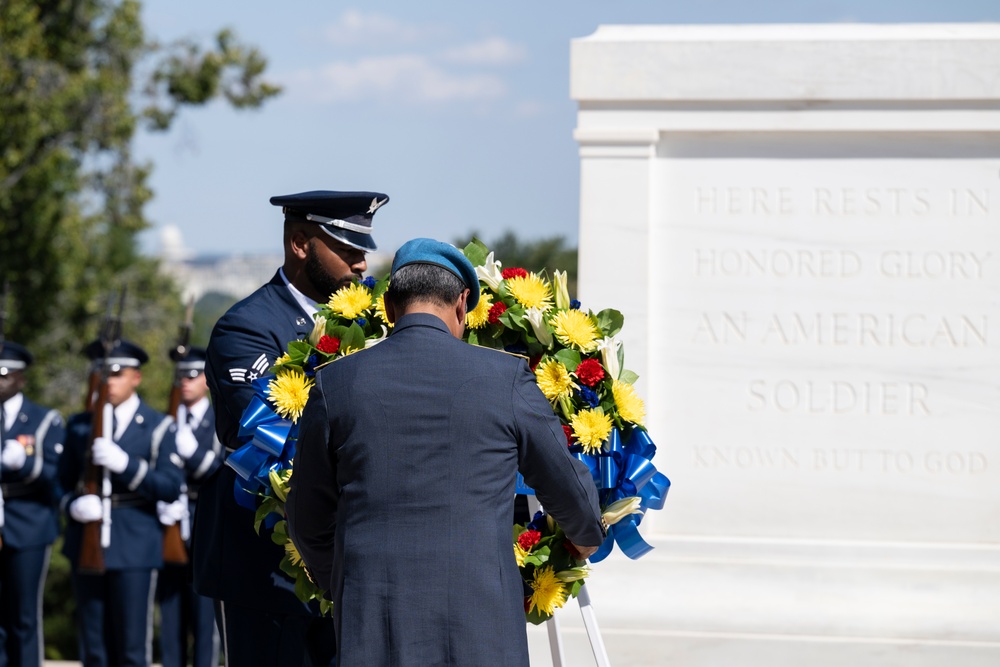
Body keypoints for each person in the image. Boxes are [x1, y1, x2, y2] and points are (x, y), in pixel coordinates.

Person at [286, 238, 607, 666]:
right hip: (480, 624)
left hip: (373, 624)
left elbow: (306, 519)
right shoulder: (505, 378)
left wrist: (348, 584)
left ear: (388, 308)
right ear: (461, 304)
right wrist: (583, 539)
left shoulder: (335, 384)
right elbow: (571, 492)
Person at [198, 190, 389, 667]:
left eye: (362, 251)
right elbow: (267, 438)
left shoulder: (374, 324)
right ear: (300, 243)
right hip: (264, 567)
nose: (361, 264)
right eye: (346, 250)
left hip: (351, 561)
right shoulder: (247, 328)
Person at [59, 338, 184, 667]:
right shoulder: (78, 426)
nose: (108, 381)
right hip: (86, 540)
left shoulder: (158, 426)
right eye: (102, 373)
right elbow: (58, 484)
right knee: (93, 646)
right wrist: (72, 505)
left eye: (116, 373)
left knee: (131, 648)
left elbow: (171, 487)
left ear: (136, 378)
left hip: (135, 542)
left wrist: (126, 465)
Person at [0, 341, 65, 667]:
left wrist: (22, 464)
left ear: (21, 379)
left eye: (5, 375)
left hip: (27, 523)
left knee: (23, 616)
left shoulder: (43, 420)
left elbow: (55, 475)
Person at [156, 346, 221, 667]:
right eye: (180, 376)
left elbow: (218, 469)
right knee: (170, 611)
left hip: (203, 519)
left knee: (204, 610)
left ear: (207, 379)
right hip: (169, 519)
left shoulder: (219, 417)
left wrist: (191, 453)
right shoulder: (165, 421)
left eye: (192, 375)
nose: (185, 382)